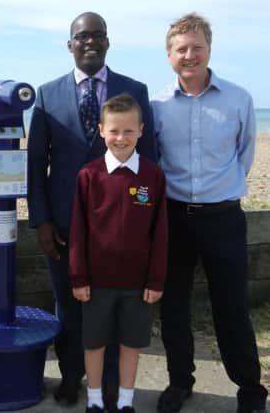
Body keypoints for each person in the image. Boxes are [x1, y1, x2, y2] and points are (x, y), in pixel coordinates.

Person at [27, 11, 157, 408]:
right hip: (65, 222)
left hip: (120, 226)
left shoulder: (134, 89)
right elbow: (36, 163)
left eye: (97, 35)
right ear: (70, 45)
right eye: (81, 37)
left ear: (107, 42)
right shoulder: (48, 94)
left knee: (116, 304)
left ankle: (114, 384)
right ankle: (71, 376)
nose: (89, 42)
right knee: (69, 303)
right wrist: (42, 220)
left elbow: (148, 159)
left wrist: (145, 220)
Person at [152, 13, 269, 413]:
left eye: (197, 46)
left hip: (223, 218)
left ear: (209, 49)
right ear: (169, 55)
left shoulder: (239, 98)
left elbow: (245, 155)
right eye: (181, 48)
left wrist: (221, 193)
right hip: (174, 218)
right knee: (174, 307)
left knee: (231, 306)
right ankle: (180, 382)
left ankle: (251, 390)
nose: (190, 55)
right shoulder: (157, 106)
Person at [69, 94, 167, 413]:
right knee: (94, 343)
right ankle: (95, 399)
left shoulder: (153, 176)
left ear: (141, 130)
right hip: (96, 283)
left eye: (128, 131)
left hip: (138, 285)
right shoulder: (89, 175)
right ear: (101, 130)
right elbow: (78, 231)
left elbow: (160, 232)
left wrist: (155, 280)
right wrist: (79, 277)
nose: (121, 138)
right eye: (114, 130)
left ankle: (126, 400)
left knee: (131, 344)